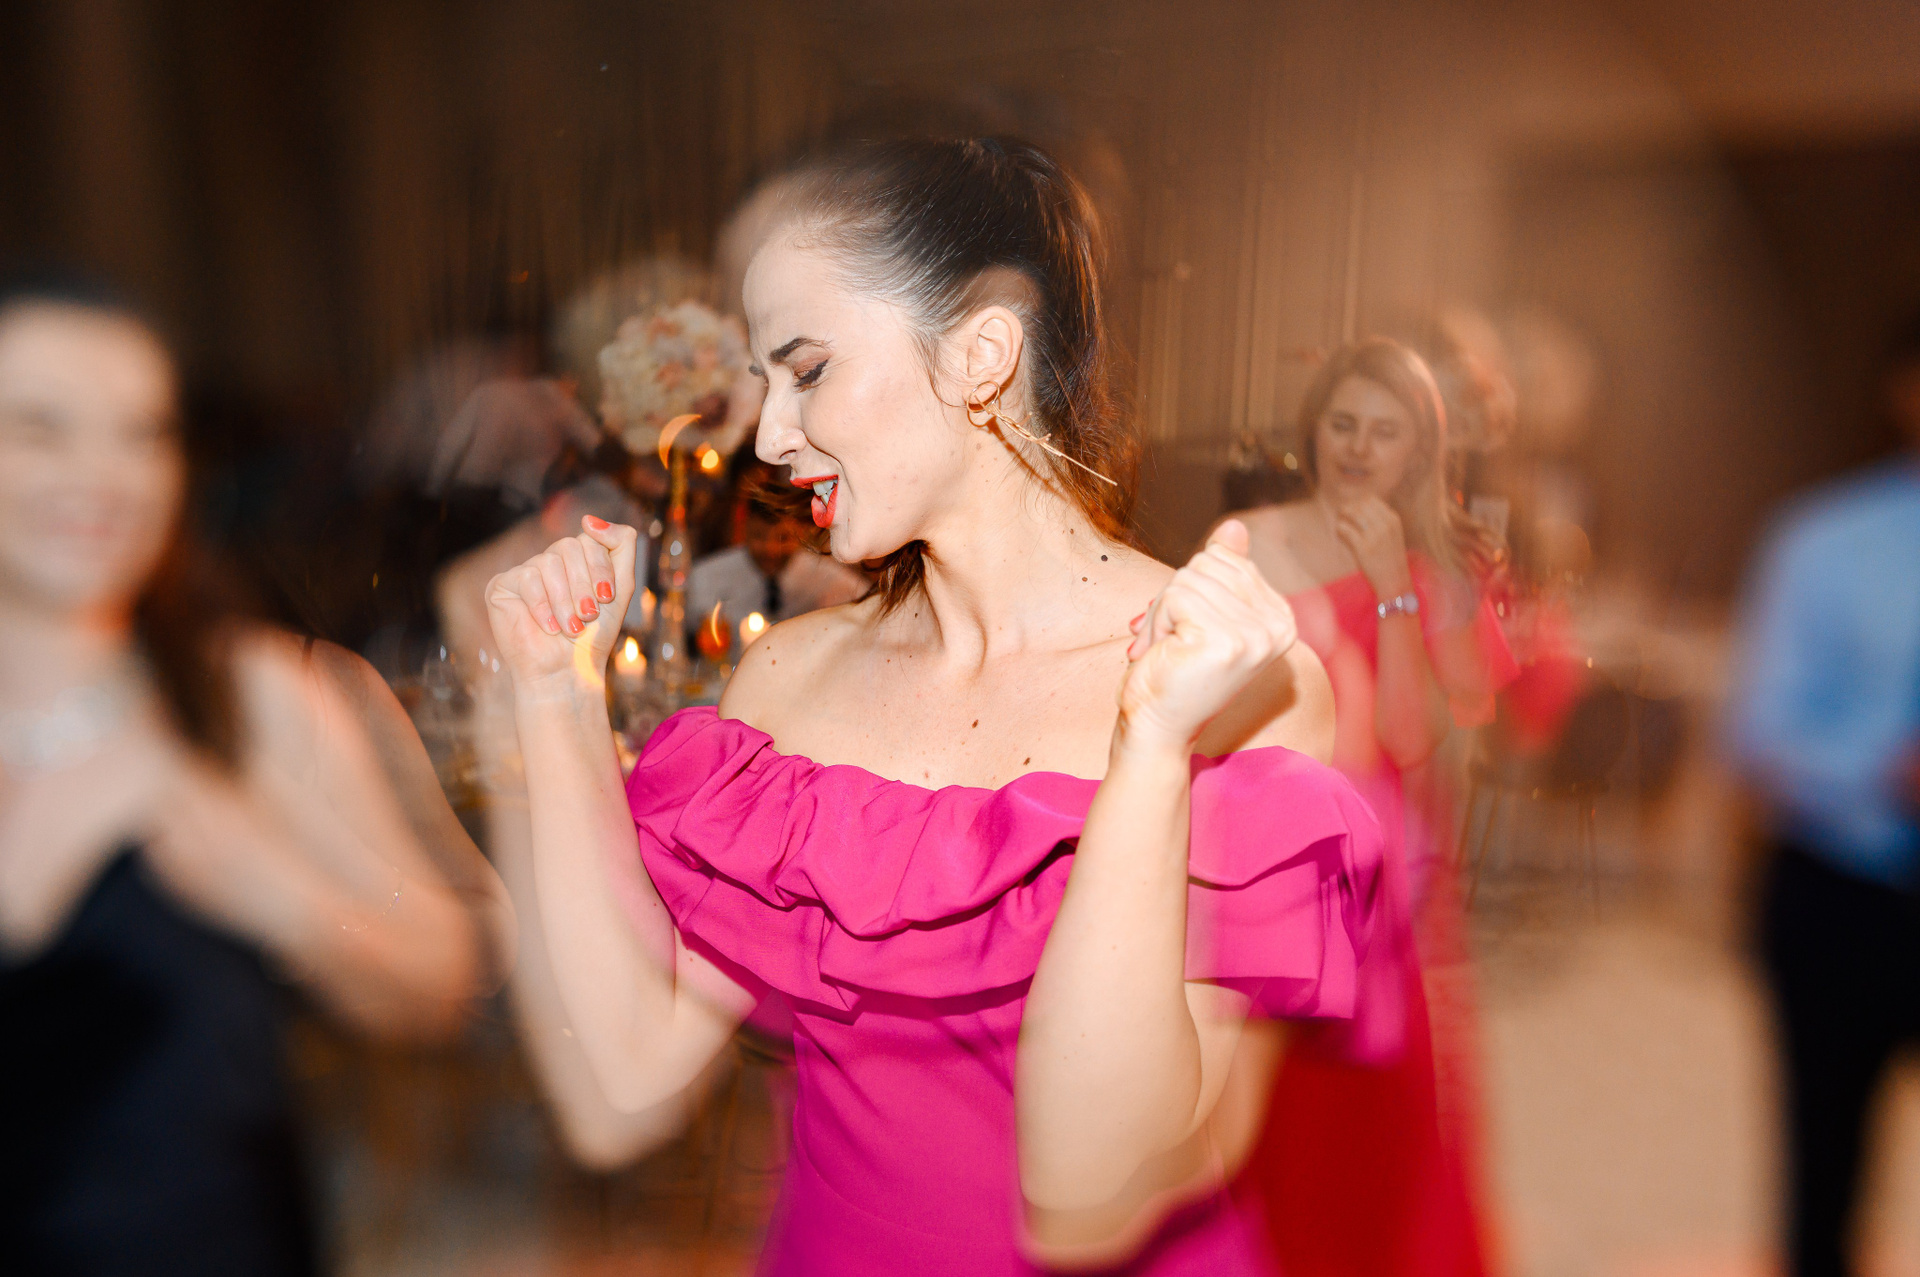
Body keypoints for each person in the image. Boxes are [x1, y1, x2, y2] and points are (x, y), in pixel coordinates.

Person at [483, 138, 1404, 1275]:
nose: (768, 436)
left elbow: (1086, 1192)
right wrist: (552, 689)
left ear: (980, 355)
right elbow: (631, 1062)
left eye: (808, 369)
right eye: (766, 381)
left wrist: (1151, 748)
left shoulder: (1243, 688)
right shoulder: (786, 682)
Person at [0, 270, 500, 1275]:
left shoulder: (246, 700)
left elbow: (450, 980)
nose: (103, 474)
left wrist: (286, 900)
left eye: (141, 433)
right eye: (42, 429)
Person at [1223, 337, 1517, 1277]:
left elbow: (1410, 742)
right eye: (1343, 423)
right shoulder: (1246, 541)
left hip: (1379, 896)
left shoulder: (1435, 573)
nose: (1357, 447)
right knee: (1249, 1118)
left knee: (1368, 1134)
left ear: (1418, 452)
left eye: (1384, 431)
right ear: (1314, 430)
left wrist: (1393, 588)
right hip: (1260, 871)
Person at [1730, 321, 1920, 1277]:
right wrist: (1883, 771)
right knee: (1825, 1180)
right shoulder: (1825, 539)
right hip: (1842, 889)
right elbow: (1758, 733)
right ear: (1905, 390)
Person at [685, 464, 866, 648]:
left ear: (800, 533)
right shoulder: (707, 578)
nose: (770, 549)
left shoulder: (832, 581)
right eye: (758, 536)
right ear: (744, 529)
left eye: (783, 538)